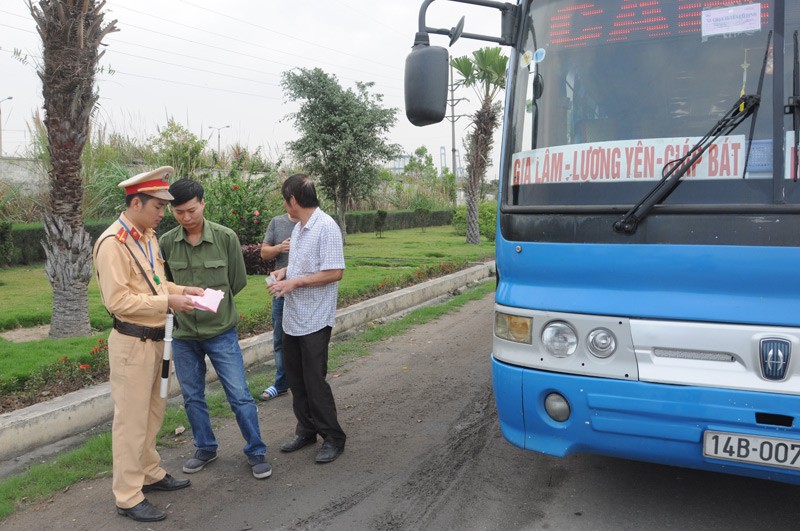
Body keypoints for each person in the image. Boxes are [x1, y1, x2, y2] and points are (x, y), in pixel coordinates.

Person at [93, 166, 204, 523]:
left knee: (153, 412)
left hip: (158, 340)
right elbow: (118, 301)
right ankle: (127, 496)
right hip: (132, 343)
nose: (164, 213)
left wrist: (181, 291)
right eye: (158, 206)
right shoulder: (114, 244)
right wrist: (167, 303)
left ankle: (149, 472)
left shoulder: (147, 236)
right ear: (137, 203)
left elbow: (156, 283)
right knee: (130, 422)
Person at [159, 178, 271, 480]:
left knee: (239, 394)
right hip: (184, 335)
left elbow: (237, 281)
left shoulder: (225, 237)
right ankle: (205, 447)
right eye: (179, 212)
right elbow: (165, 284)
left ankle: (256, 450)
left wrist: (216, 305)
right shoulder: (167, 242)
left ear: (203, 203)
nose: (186, 217)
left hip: (221, 331)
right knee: (193, 396)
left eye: (191, 210)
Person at [267, 173, 347, 464]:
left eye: (284, 199)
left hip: (315, 318)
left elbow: (334, 272)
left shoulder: (326, 227)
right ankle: (307, 430)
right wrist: (283, 273)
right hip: (293, 317)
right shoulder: (299, 229)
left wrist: (295, 284)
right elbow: (301, 266)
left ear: (293, 200)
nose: (285, 204)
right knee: (296, 379)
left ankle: (334, 437)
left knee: (314, 380)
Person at [259, 212, 298, 401]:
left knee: (305, 340)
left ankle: (307, 382)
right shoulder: (277, 222)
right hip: (280, 291)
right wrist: (279, 247)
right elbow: (264, 252)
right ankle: (281, 384)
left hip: (305, 290)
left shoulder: (312, 223)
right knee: (279, 339)